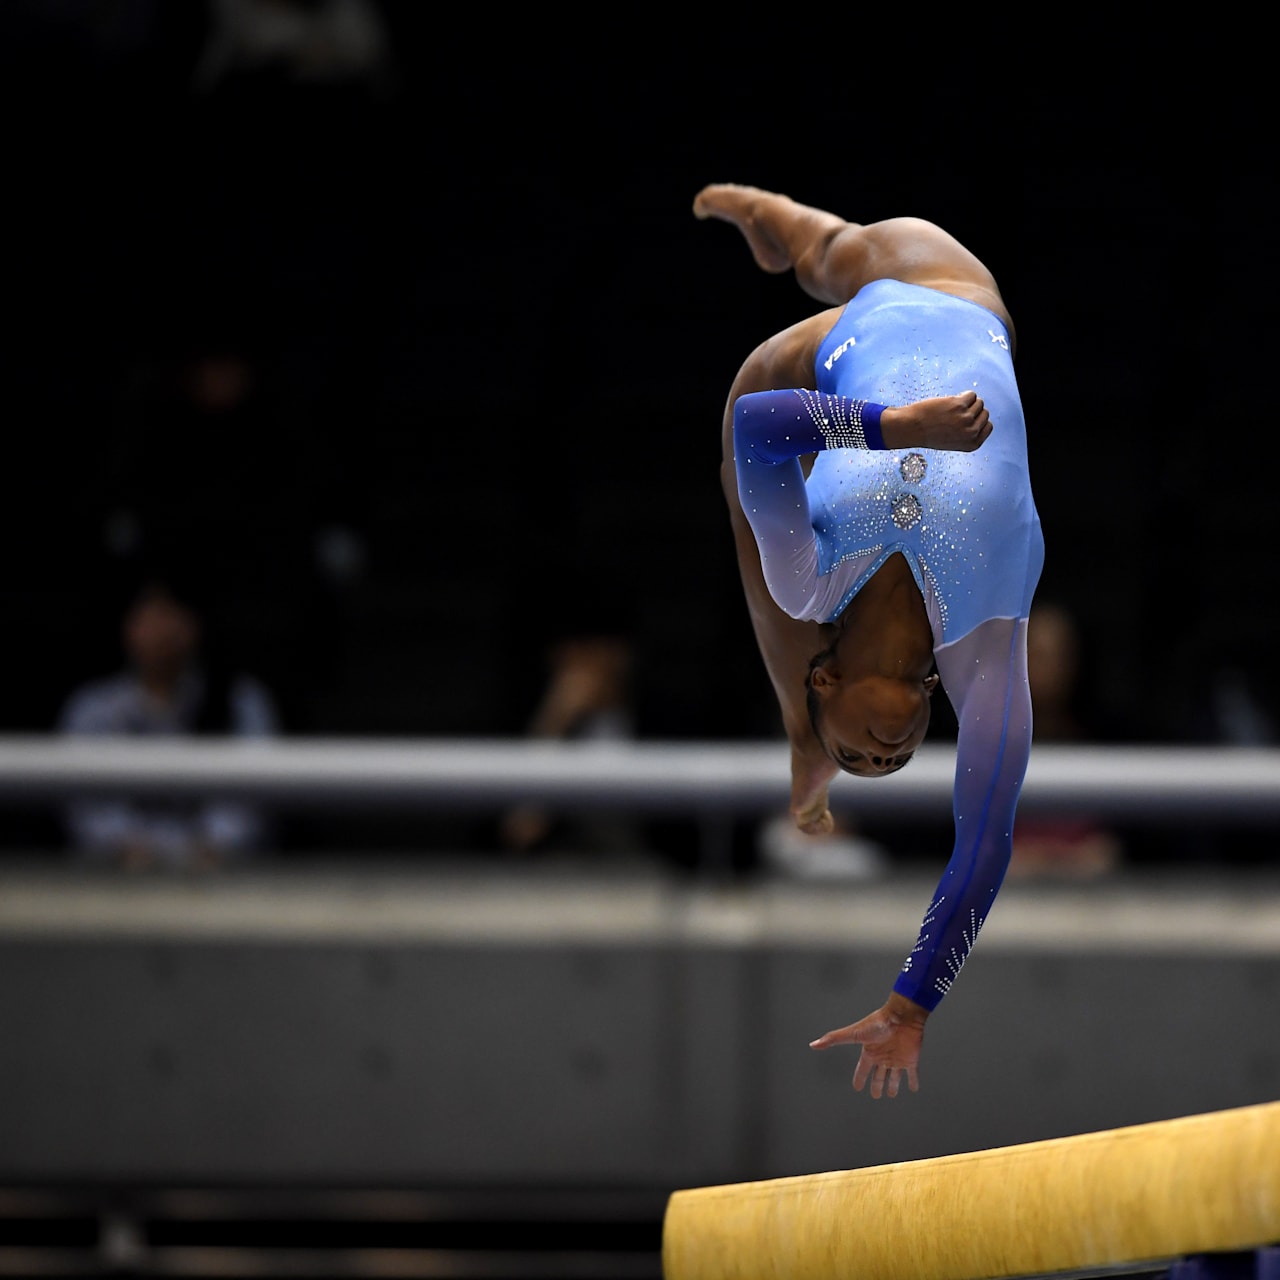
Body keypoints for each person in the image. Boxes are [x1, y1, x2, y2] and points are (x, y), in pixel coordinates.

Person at [695, 183, 1045, 1098]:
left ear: (829, 681)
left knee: (830, 255)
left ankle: (781, 224)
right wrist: (910, 1004)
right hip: (953, 297)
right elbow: (985, 838)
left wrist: (898, 428)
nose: (885, 757)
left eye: (856, 752)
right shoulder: (984, 644)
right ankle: (804, 751)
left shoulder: (810, 579)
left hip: (816, 370)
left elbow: (760, 427)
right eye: (892, 763)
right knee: (871, 264)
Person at [58, 577, 280, 871]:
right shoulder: (92, 708)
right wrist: (125, 846)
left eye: (170, 615)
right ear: (128, 627)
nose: (160, 631)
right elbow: (84, 806)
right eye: (148, 618)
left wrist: (212, 845)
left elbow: (253, 802)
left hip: (219, 874)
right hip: (117, 875)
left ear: (194, 625)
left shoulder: (240, 701)